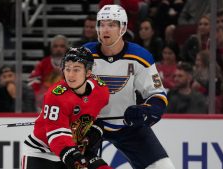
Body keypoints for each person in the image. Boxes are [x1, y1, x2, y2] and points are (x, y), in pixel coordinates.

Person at [84, 4, 175, 169]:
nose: (105, 29)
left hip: (128, 126)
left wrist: (145, 112)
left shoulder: (140, 56)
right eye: (101, 24)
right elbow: (67, 91)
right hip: (89, 126)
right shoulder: (84, 55)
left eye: (111, 24)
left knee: (164, 167)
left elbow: (157, 95)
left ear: (123, 28)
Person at [22, 47, 112, 169]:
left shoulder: (101, 90)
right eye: (67, 69)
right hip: (42, 152)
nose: (70, 75)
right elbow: (56, 134)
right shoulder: (56, 95)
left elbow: (98, 116)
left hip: (76, 148)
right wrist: (72, 154)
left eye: (76, 69)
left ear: (88, 72)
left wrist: (96, 129)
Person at [28, 35, 68, 109]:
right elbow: (32, 82)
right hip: (44, 101)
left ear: (66, 48)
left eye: (62, 46)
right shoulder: (43, 63)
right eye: (55, 46)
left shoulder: (72, 64)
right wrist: (40, 95)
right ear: (51, 48)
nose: (58, 49)